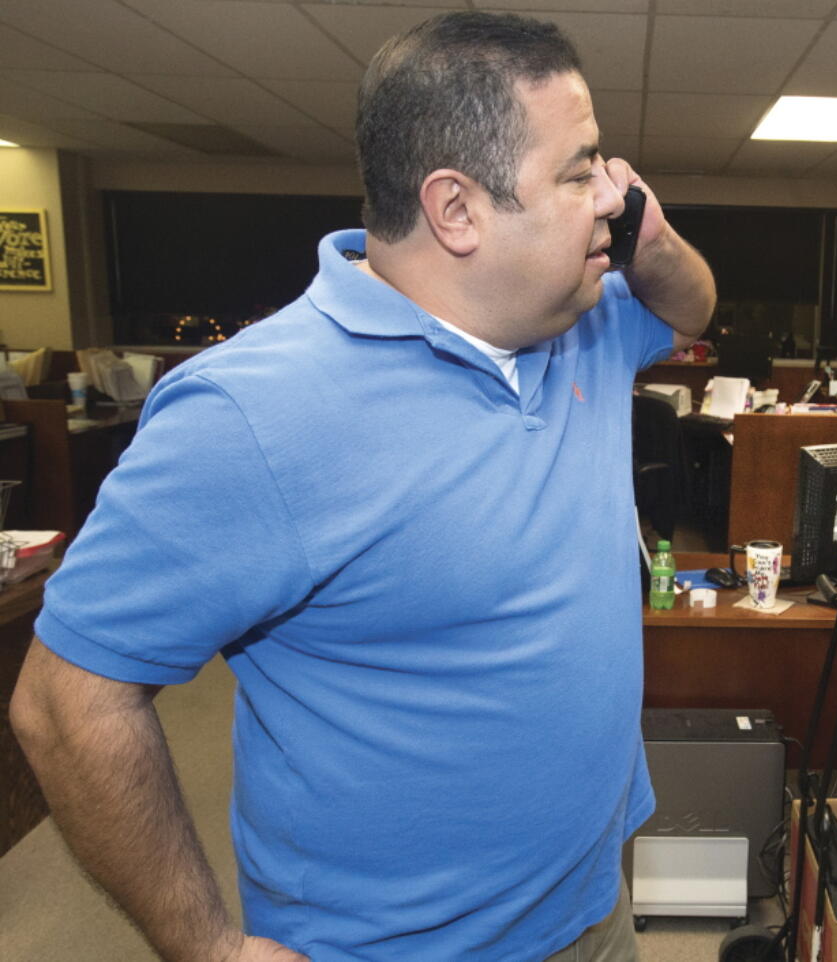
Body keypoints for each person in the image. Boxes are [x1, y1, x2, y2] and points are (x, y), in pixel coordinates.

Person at [10, 11, 715, 962]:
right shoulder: (252, 412)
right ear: (456, 210)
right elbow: (66, 701)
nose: (613, 196)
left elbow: (692, 307)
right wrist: (208, 948)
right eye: (581, 170)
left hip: (592, 907)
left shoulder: (587, 313)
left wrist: (653, 241)